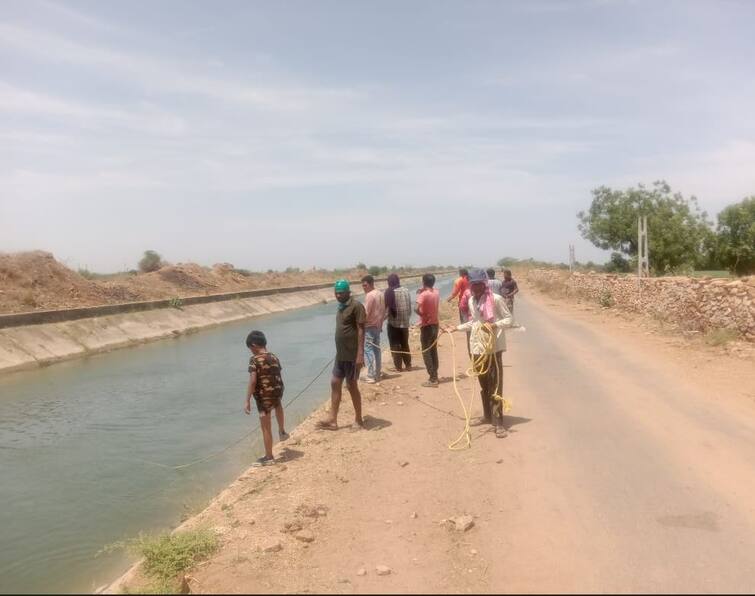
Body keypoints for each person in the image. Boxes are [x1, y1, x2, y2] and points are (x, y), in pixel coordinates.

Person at [447, 268, 513, 438]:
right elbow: (474, 323)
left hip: (493, 349)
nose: (475, 288)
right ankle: (487, 416)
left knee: (496, 384)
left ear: (484, 284)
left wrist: (495, 325)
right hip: (477, 348)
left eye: (478, 285)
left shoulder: (496, 299)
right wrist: (456, 328)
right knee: (484, 384)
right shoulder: (471, 301)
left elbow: (509, 319)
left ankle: (498, 423)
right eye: (473, 285)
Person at [317, 279, 366, 430]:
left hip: (352, 356)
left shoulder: (356, 306)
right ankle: (333, 419)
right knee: (335, 383)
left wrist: (360, 354)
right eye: (336, 293)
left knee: (351, 386)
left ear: (348, 292)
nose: (338, 295)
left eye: (341, 292)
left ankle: (358, 419)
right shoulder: (340, 307)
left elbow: (361, 330)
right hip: (340, 355)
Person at [244, 330, 289, 466]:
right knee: (278, 405)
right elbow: (278, 373)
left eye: (250, 349)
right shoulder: (274, 356)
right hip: (277, 392)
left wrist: (247, 399)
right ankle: (282, 430)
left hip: (264, 396)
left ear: (254, 345)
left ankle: (269, 457)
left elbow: (253, 381)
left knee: (265, 426)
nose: (251, 352)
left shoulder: (254, 360)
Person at [415, 273, 440, 387]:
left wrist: (422, 315)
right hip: (435, 324)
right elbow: (431, 290)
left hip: (426, 326)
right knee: (433, 350)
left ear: (424, 282)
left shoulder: (423, 295)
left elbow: (415, 308)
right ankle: (435, 374)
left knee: (426, 352)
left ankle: (433, 378)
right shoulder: (436, 292)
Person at [384, 273, 412, 372]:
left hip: (393, 323)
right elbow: (409, 307)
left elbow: (387, 309)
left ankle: (398, 367)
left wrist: (379, 321)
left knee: (395, 344)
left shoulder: (389, 291)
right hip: (405, 322)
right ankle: (408, 365)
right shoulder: (406, 290)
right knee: (405, 343)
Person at [361, 274, 385, 384]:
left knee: (368, 350)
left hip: (370, 326)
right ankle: (378, 373)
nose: (364, 288)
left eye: (365, 285)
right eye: (362, 286)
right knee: (377, 350)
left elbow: (365, 313)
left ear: (371, 284)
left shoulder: (370, 295)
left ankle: (371, 375)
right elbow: (384, 311)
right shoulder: (380, 293)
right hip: (378, 326)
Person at [447, 268, 471, 356]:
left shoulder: (461, 280)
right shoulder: (471, 279)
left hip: (463, 302)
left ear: (461, 273)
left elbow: (456, 292)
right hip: (472, 301)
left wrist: (449, 299)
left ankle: (468, 331)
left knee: (465, 320)